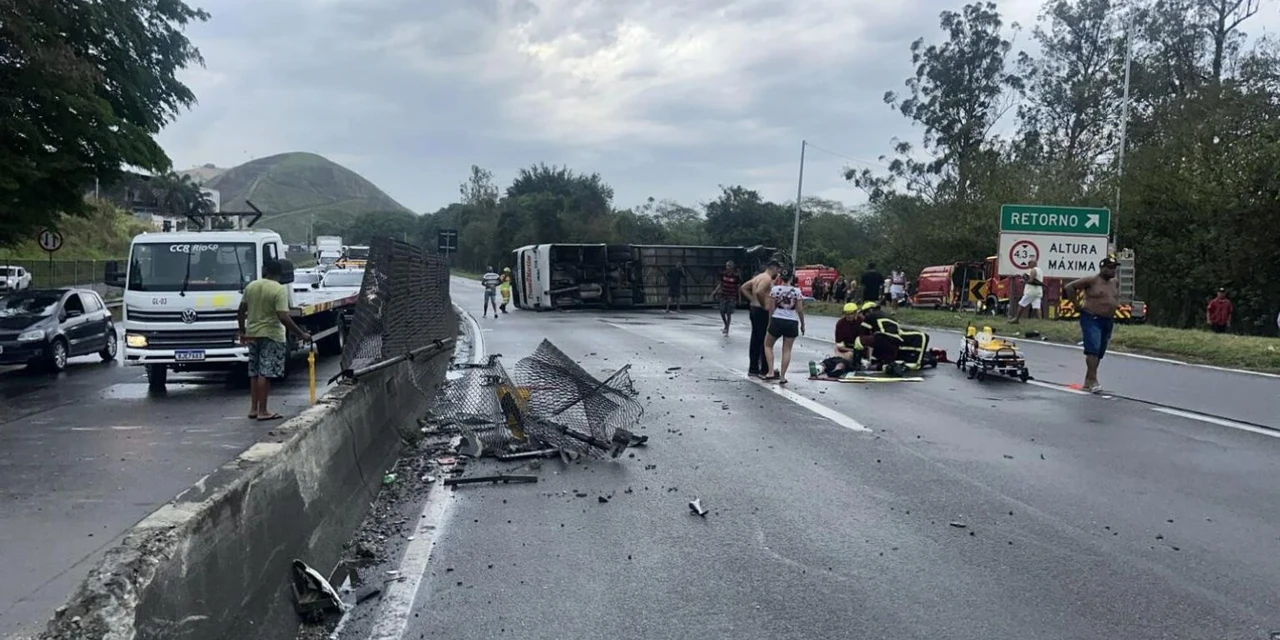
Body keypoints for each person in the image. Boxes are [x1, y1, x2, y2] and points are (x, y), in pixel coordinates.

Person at [237, 259, 311, 421]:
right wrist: (300, 333)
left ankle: (254, 408)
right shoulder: (278, 289)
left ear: (265, 271)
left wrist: (242, 330)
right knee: (266, 372)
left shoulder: (252, 286)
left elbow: (241, 310)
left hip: (253, 334)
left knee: (254, 372)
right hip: (272, 334)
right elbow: (283, 316)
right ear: (279, 274)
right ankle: (263, 411)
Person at [1063, 256, 1121, 393]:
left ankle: (1088, 379)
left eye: (1114, 268)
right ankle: (1094, 380)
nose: (1113, 271)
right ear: (1102, 268)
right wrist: (1076, 304)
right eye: (1110, 268)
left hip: (1107, 320)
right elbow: (1069, 287)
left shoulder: (1115, 282)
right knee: (1093, 348)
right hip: (1091, 317)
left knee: (1100, 350)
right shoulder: (1092, 280)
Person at [762, 272, 805, 384]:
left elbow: (771, 308)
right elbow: (799, 310)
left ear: (781, 278)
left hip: (777, 319)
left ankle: (770, 371)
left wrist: (769, 322)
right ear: (791, 278)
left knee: (768, 345)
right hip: (791, 321)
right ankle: (782, 376)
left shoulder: (775, 290)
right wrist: (802, 324)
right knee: (786, 350)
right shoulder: (797, 291)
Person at [742, 260, 782, 377]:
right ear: (774, 268)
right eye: (778, 270)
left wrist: (752, 300)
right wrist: (763, 304)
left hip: (753, 309)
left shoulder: (758, 277)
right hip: (761, 311)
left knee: (755, 339)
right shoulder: (767, 279)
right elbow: (759, 291)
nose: (778, 273)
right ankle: (764, 369)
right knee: (765, 340)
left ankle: (753, 368)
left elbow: (744, 287)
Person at [710, 260, 740, 335]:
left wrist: (739, 298)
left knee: (728, 313)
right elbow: (720, 284)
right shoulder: (723, 274)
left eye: (729, 266)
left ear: (733, 267)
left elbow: (738, 287)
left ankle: (727, 328)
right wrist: (715, 291)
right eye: (727, 265)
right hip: (723, 295)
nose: (728, 267)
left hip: (731, 296)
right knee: (722, 311)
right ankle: (725, 324)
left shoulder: (736, 276)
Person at [1009, 259, 1044, 323]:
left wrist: (1024, 281)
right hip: (1038, 291)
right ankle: (1040, 321)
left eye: (1029, 263)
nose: (1028, 265)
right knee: (1037, 307)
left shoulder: (1033, 270)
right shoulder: (1040, 270)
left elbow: (1031, 281)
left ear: (1033, 263)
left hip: (1031, 291)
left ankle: (1016, 319)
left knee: (1021, 304)